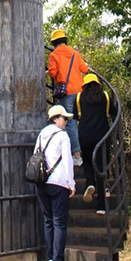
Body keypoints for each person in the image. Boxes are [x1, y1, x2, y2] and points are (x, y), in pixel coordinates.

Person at [34, 105, 75, 261]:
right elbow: (68, 161)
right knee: (59, 223)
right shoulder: (62, 136)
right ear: (55, 118)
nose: (66, 122)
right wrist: (71, 184)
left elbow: (35, 155)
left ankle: (50, 260)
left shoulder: (41, 135)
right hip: (58, 183)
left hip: (42, 183)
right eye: (64, 119)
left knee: (48, 221)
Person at [47, 29, 90, 165]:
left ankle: (77, 155)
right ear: (65, 40)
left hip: (67, 93)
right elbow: (84, 69)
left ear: (54, 42)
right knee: (83, 120)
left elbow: (53, 73)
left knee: (70, 123)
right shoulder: (74, 53)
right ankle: (89, 153)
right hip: (80, 92)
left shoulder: (54, 55)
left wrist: (50, 71)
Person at [76, 73, 113, 215]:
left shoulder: (79, 97)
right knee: (102, 169)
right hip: (102, 137)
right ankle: (101, 206)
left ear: (84, 85)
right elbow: (114, 112)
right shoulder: (105, 97)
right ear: (98, 84)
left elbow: (74, 116)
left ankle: (90, 183)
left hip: (85, 136)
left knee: (87, 162)